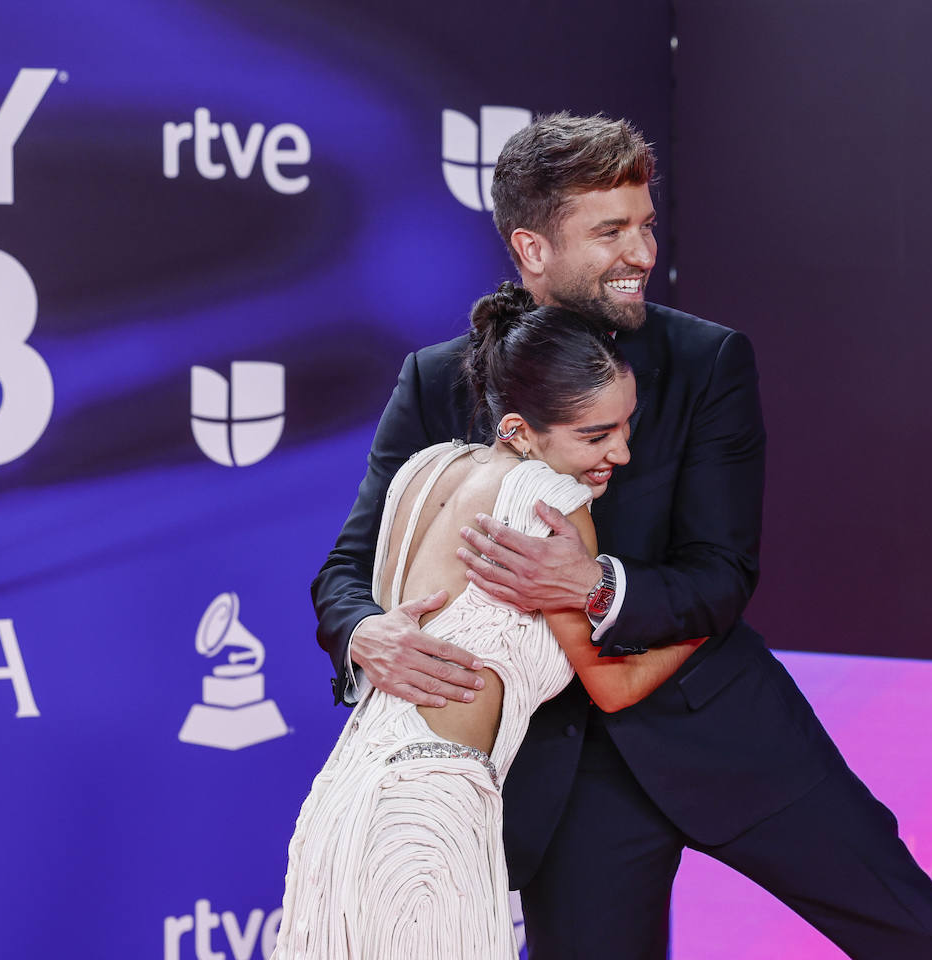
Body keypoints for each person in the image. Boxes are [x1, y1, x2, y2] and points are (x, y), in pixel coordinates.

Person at [312, 113, 932, 959]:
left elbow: (721, 574)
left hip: (726, 730)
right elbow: (348, 567)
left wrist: (594, 587)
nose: (641, 252)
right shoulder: (440, 379)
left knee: (921, 935)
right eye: (611, 232)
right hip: (560, 779)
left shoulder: (710, 361)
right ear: (532, 248)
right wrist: (364, 631)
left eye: (646, 225)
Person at [278, 284, 705, 959]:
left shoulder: (426, 468)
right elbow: (613, 687)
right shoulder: (554, 503)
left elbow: (353, 576)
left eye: (627, 427)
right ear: (518, 431)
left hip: (344, 798)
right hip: (429, 823)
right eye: (596, 434)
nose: (620, 453)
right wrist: (705, 626)